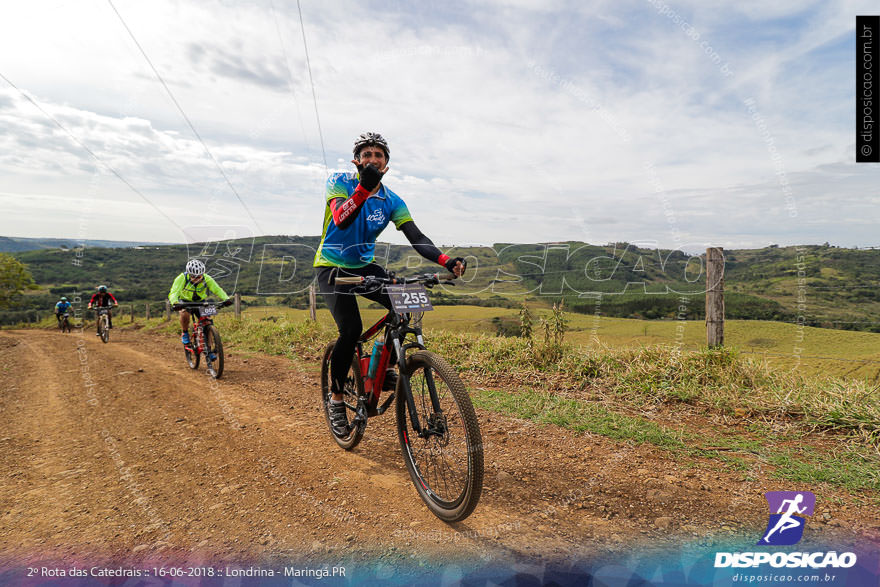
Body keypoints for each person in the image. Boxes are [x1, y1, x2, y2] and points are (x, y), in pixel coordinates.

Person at [314, 132, 465, 436]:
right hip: (331, 267)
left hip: (365, 266)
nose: (372, 159)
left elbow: (417, 238)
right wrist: (363, 188)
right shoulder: (340, 181)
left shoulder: (392, 200)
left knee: (405, 304)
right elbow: (341, 218)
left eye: (378, 155)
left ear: (386, 164)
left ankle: (383, 371)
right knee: (351, 329)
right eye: (366, 154)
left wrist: (446, 260)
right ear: (357, 160)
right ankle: (337, 398)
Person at [168, 259, 231, 347]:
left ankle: (209, 347)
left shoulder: (207, 278)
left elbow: (217, 289)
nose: (196, 279)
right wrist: (175, 303)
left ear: (202, 274)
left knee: (208, 322)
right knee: (184, 314)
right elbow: (174, 292)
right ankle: (185, 333)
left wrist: (226, 299)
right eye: (193, 276)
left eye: (199, 277)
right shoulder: (182, 278)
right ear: (189, 274)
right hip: (185, 301)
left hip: (200, 302)